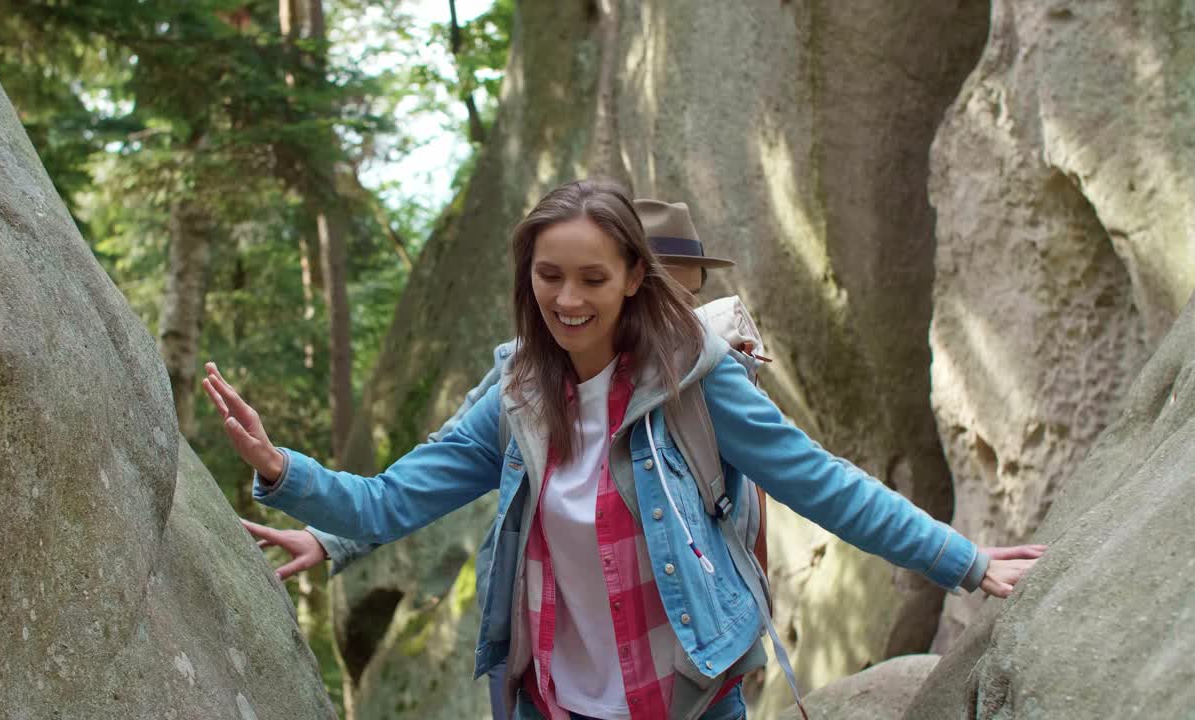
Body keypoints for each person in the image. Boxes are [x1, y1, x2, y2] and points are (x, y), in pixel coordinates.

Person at [205, 180, 1043, 720]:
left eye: (593, 279)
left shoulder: (698, 381)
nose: (567, 299)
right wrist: (285, 472)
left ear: (635, 277)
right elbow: (392, 499)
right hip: (551, 703)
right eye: (548, 275)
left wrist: (965, 560)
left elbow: (824, 484)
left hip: (687, 698)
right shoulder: (517, 394)